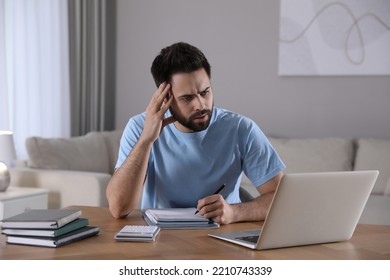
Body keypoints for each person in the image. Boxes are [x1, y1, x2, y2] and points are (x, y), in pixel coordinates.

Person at [106, 42, 285, 224]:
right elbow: (119, 208)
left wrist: (234, 213)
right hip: (160, 241)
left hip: (222, 240)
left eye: (205, 92)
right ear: (165, 98)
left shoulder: (241, 128)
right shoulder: (139, 127)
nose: (201, 105)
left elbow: (282, 199)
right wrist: (146, 140)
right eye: (187, 98)